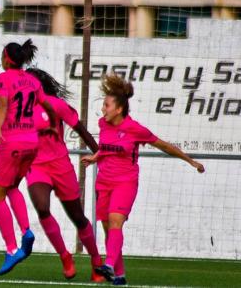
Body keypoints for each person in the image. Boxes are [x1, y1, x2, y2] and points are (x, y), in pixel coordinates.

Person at [82, 73, 205, 285]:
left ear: (119, 109)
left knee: (115, 222)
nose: (103, 109)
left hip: (125, 182)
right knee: (106, 228)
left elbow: (163, 145)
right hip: (104, 181)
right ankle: (118, 275)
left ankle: (109, 265)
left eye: (106, 105)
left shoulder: (134, 129)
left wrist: (190, 160)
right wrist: (95, 158)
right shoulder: (103, 124)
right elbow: (105, 148)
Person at [24, 68, 105, 282]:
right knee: (42, 208)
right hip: (35, 166)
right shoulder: (19, 109)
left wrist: (100, 154)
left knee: (77, 218)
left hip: (60, 165)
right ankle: (65, 256)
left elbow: (82, 131)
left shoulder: (55, 105)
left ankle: (97, 262)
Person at [0, 39, 57, 275]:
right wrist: (53, 126)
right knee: (12, 186)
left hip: (12, 141)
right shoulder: (33, 81)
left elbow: (4, 102)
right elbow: (47, 103)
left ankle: (11, 248)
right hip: (31, 143)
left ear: (6, 58)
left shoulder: (2, 79)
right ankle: (26, 231)